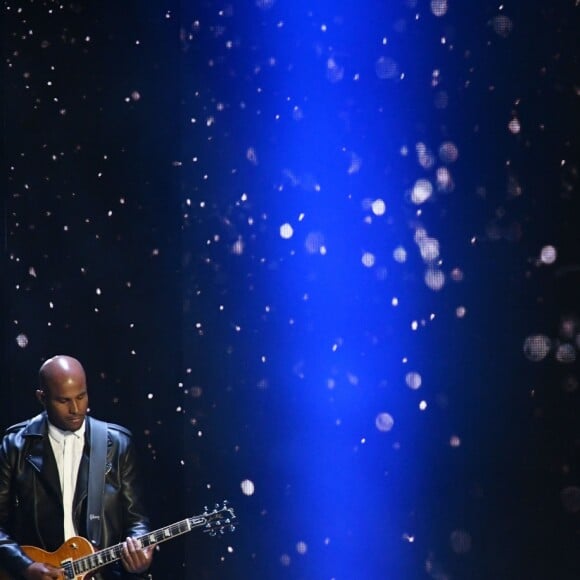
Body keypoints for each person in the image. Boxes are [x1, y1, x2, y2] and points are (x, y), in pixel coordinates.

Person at [0, 355, 154, 579]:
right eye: (63, 401)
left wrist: (139, 555)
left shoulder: (117, 444)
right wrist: (25, 566)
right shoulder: (15, 445)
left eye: (81, 397)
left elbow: (136, 520)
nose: (75, 409)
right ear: (42, 398)